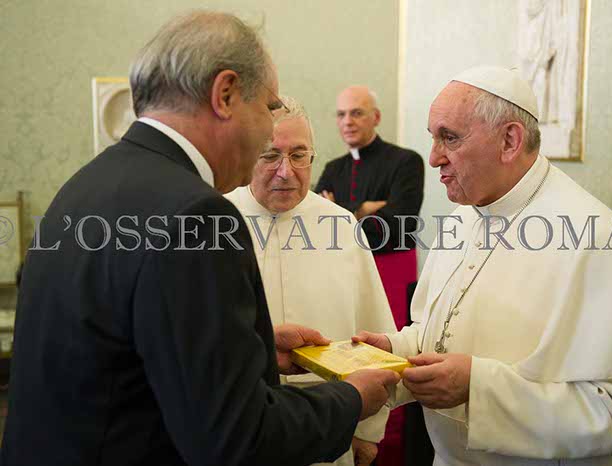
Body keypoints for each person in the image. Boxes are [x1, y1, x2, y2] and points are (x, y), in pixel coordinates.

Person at [1, 11, 399, 466]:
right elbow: (237, 439)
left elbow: (127, 353)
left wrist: (253, 349)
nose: (269, 131)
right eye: (268, 108)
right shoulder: (198, 214)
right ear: (225, 94)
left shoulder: (84, 186)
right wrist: (350, 400)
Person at [354, 65, 612, 466]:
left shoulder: (592, 235)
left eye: (450, 137)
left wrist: (477, 388)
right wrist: (396, 350)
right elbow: (441, 332)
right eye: (433, 137)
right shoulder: (463, 217)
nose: (433, 157)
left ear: (510, 140)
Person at [226, 96, 398, 466]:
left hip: (332, 429)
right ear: (246, 154)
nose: (286, 171)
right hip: (239, 432)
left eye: (299, 155)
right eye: (270, 155)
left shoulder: (341, 225)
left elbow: (374, 334)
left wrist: (367, 431)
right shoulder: (215, 219)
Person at [316, 86, 425, 465]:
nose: (347, 121)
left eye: (357, 113)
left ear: (376, 117)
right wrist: (365, 208)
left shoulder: (406, 161)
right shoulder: (334, 168)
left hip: (392, 271)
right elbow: (319, 225)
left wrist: (343, 211)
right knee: (345, 350)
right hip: (344, 272)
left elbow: (400, 222)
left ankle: (388, 447)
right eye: (341, 114)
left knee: (387, 358)